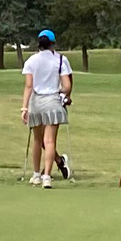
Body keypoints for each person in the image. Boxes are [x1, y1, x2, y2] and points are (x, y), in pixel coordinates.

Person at [21, 29, 72, 188]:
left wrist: (24, 108)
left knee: (37, 140)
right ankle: (47, 177)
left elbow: (29, 86)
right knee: (49, 141)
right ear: (53, 43)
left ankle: (36, 175)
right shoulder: (61, 60)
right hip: (52, 101)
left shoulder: (31, 60)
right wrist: (64, 94)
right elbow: (67, 85)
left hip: (36, 102)